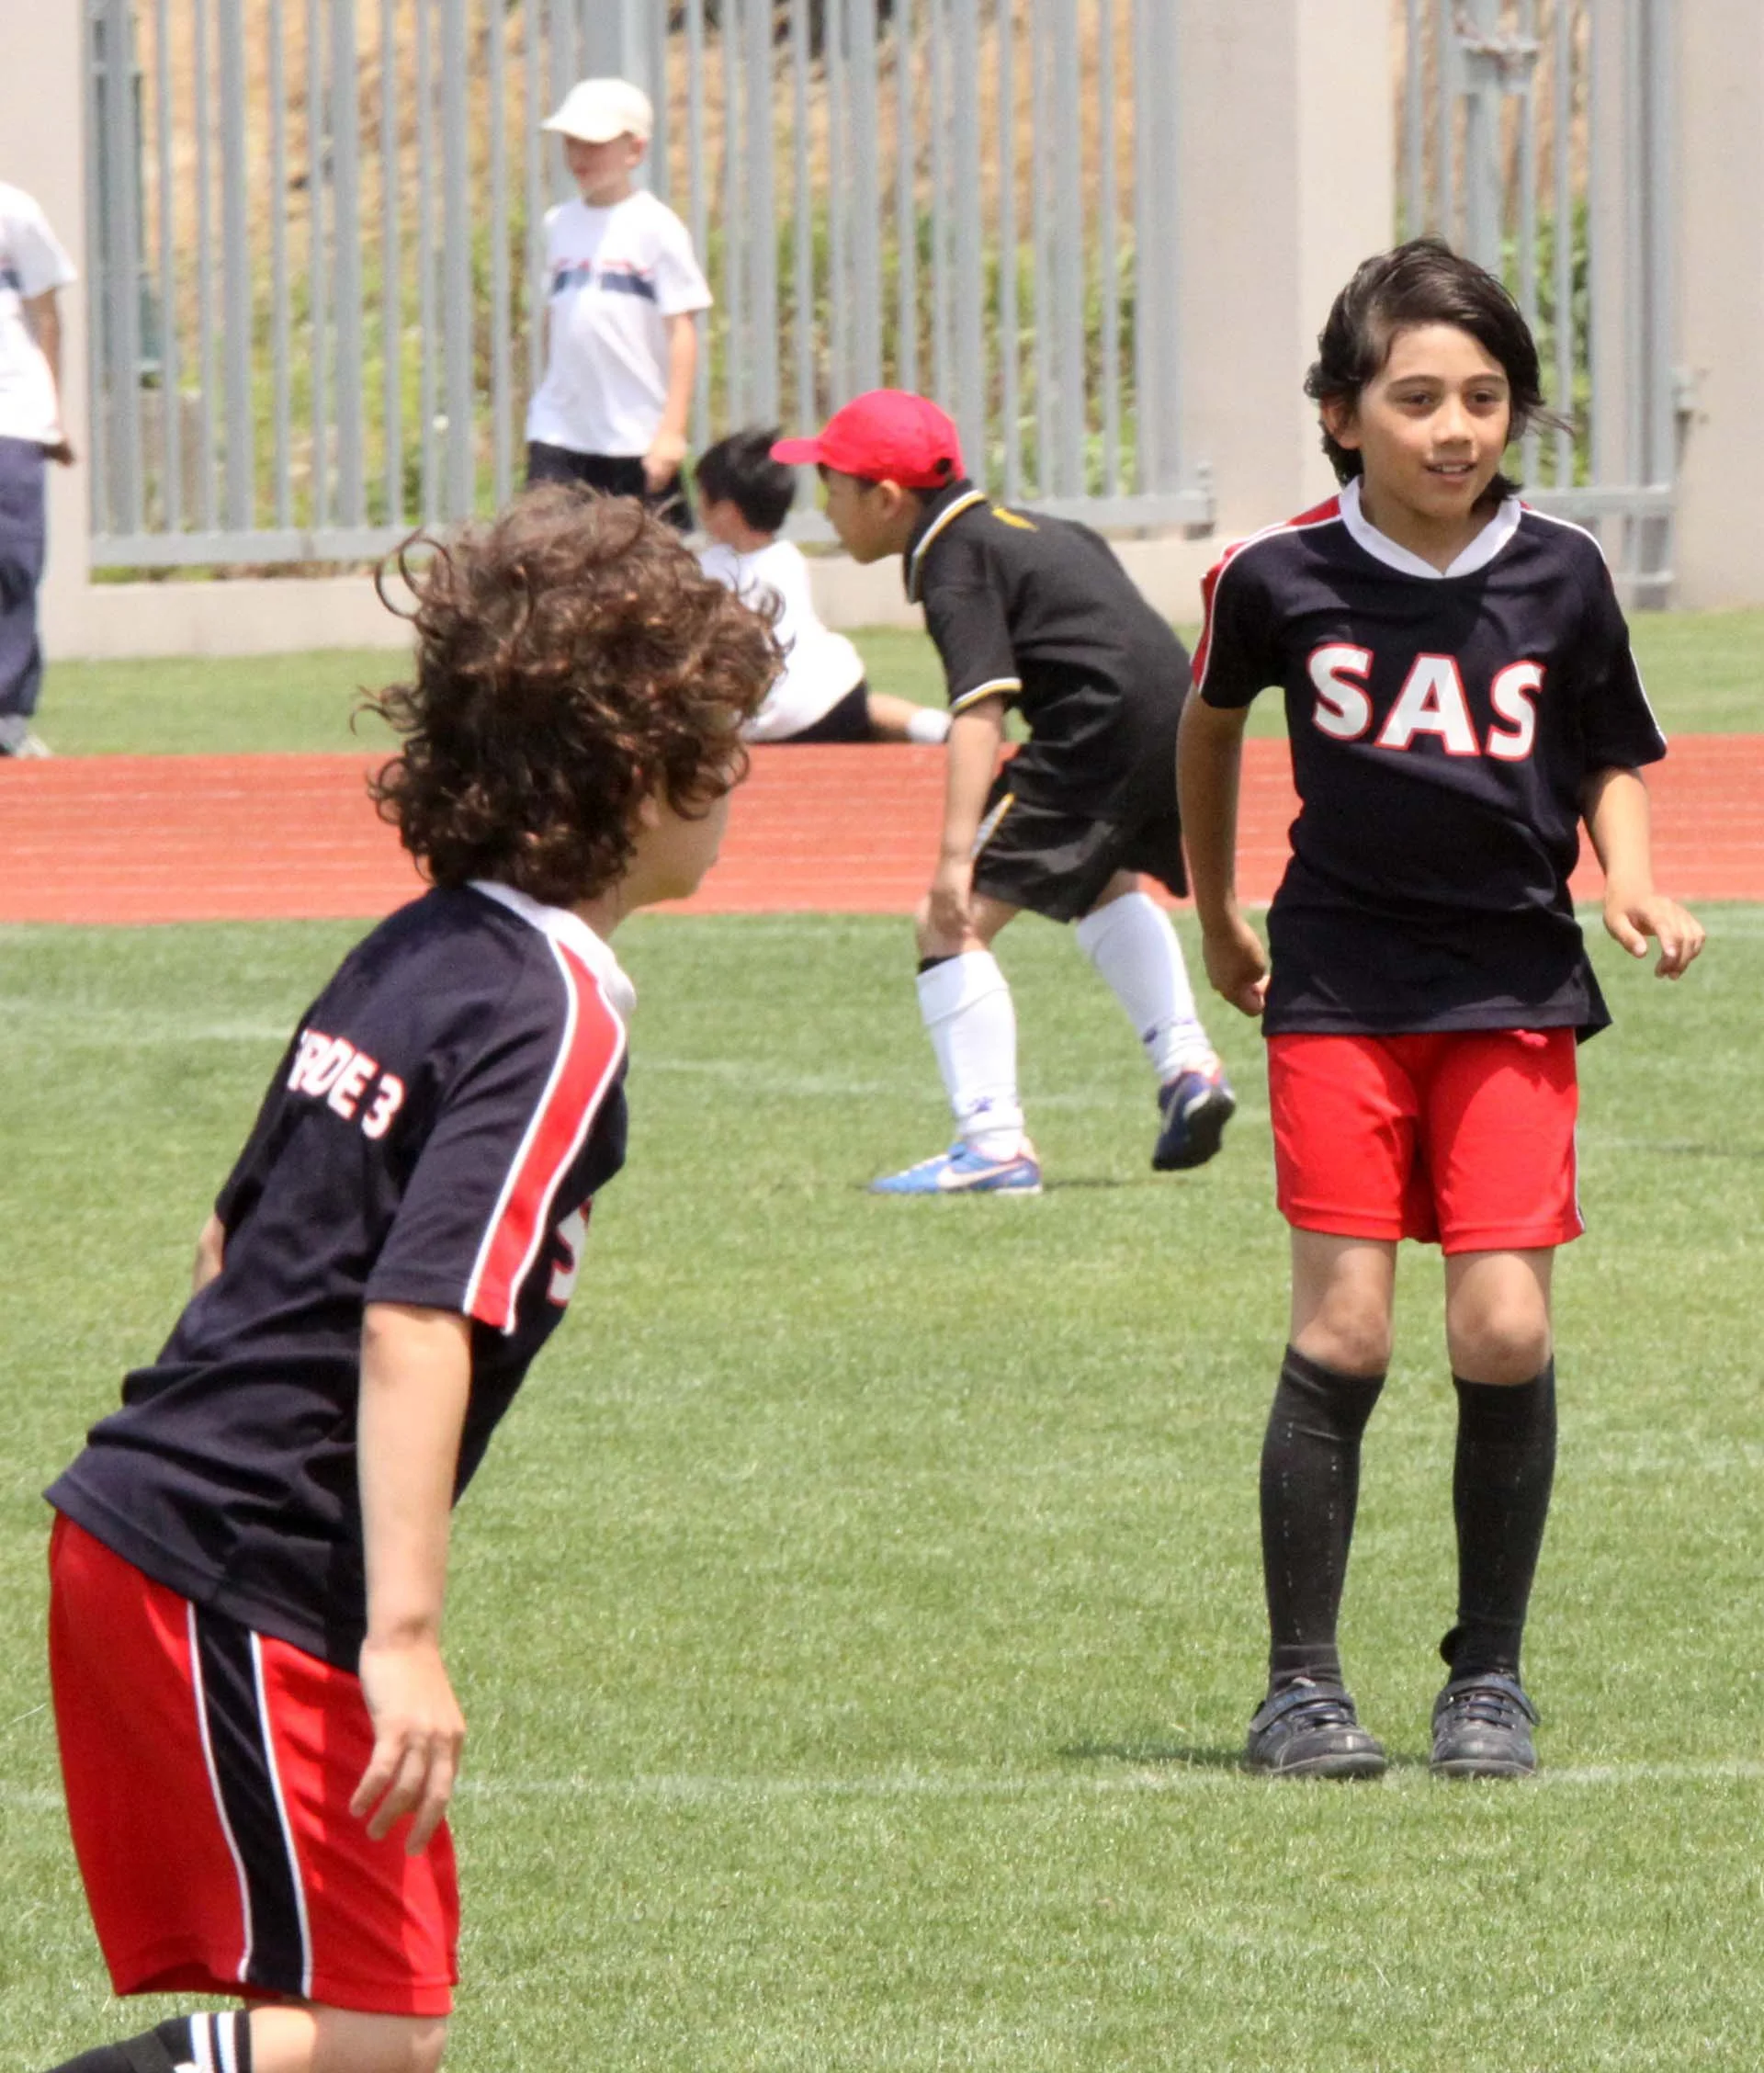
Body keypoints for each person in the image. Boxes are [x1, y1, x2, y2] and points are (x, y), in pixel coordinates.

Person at [37, 488, 775, 2073]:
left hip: (165, 1534)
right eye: (718, 736)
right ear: (633, 767)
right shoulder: (557, 1005)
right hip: (239, 1560)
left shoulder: (419, 944)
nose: (738, 774)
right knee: (370, 2037)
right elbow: (416, 1311)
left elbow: (227, 1242)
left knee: (367, 2032)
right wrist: (405, 1633)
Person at [1177, 238, 1705, 1782]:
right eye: (1416, 398)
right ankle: (1299, 1691)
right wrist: (1216, 911)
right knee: (1345, 1327)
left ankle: (1488, 1679)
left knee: (1505, 1325)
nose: (1454, 427)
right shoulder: (1274, 577)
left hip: (1511, 983)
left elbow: (1607, 749)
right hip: (1338, 983)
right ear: (1343, 415)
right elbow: (1205, 729)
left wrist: (1629, 877)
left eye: (1484, 396)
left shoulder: (1565, 571)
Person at [773, 390, 1233, 1195]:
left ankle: (992, 1146)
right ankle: (1188, 1067)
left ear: (886, 498)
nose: (825, 507)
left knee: (947, 927)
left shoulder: (955, 563)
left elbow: (979, 709)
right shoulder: (1035, 529)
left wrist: (955, 860)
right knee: (1103, 883)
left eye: (832, 486)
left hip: (1097, 729)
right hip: (1176, 719)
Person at [524, 77, 709, 531]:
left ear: (635, 150)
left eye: (595, 144)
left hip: (635, 435)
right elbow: (554, 318)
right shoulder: (557, 224)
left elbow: (681, 332)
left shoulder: (656, 227)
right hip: (561, 429)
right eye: (571, 143)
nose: (579, 156)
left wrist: (670, 432)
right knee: (544, 550)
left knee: (645, 557)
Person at [695, 425, 951, 746]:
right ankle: (936, 727)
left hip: (774, 723)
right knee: (861, 700)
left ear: (727, 512)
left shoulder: (708, 570)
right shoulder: (788, 557)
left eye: (702, 497)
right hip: (840, 697)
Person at [0, 179, 77, 759]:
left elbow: (47, 317)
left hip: (14, 414)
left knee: (14, 561)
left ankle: (7, 716)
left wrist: (52, 413)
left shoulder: (14, 210)